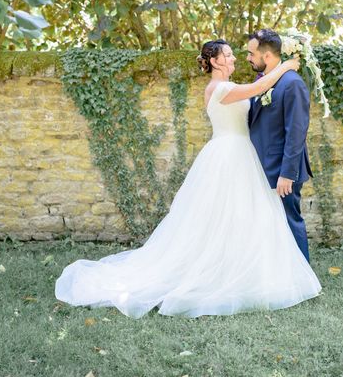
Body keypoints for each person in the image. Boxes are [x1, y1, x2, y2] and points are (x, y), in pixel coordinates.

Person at [54, 39, 322, 319]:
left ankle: (246, 266)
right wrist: (288, 66)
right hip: (229, 156)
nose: (234, 59)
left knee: (242, 216)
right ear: (216, 61)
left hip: (240, 154)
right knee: (225, 216)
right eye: (229, 55)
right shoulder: (220, 89)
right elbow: (257, 89)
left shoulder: (226, 88)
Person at [247, 29, 313, 263]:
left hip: (282, 169)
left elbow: (296, 132)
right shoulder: (263, 81)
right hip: (263, 165)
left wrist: (287, 173)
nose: (248, 58)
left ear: (267, 56)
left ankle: (303, 277)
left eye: (251, 53)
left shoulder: (291, 83)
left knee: (289, 220)